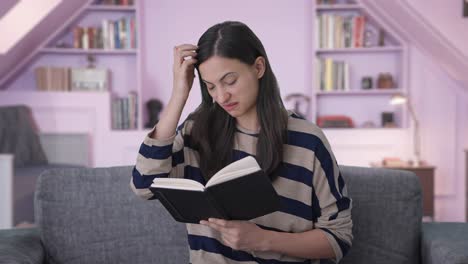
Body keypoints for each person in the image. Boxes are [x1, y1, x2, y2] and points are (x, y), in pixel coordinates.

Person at [131, 21, 352, 263]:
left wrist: (263, 240)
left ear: (258, 67)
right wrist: (179, 94)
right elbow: (144, 186)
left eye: (230, 81)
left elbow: (338, 238)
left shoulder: (307, 141)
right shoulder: (197, 131)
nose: (221, 96)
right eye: (210, 86)